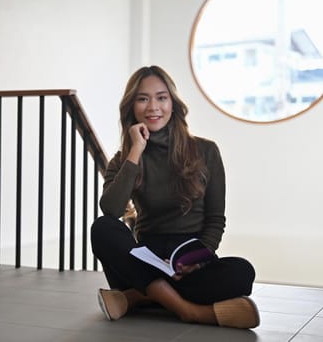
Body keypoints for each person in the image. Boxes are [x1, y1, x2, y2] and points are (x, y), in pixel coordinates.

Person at [90, 65, 260, 329]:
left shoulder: (206, 151)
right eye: (143, 98)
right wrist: (136, 150)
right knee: (102, 228)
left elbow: (216, 220)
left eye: (161, 97)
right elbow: (111, 210)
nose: (153, 107)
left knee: (242, 272)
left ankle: (135, 298)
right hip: (144, 260)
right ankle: (190, 311)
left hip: (190, 259)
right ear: (131, 107)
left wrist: (194, 260)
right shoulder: (125, 159)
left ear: (173, 103)